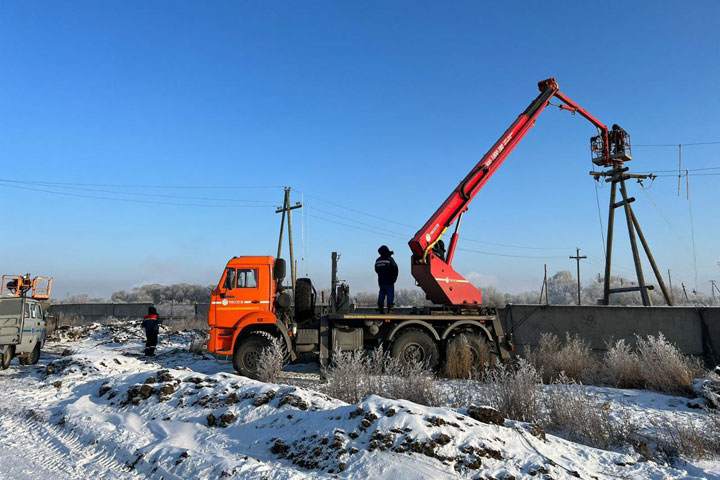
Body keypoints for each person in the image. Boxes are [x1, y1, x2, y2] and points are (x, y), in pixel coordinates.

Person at [375, 245, 399, 314]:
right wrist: (394, 278)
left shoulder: (378, 260)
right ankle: (390, 309)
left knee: (381, 293)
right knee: (390, 294)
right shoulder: (390, 259)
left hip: (381, 281)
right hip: (389, 280)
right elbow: (395, 269)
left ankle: (380, 308)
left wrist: (381, 275)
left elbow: (376, 270)